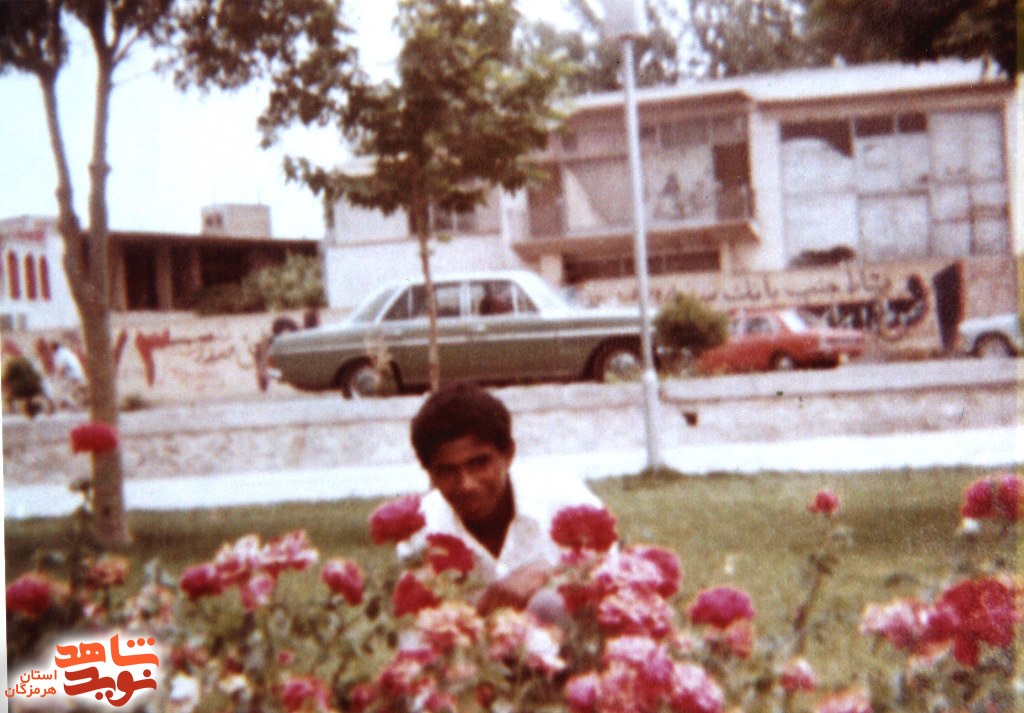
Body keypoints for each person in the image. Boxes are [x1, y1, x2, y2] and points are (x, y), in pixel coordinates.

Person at [400, 383, 605, 616]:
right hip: (475, 639)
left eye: (479, 463)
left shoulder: (566, 500)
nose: (466, 484)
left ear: (508, 453)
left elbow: (614, 583)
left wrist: (547, 574)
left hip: (573, 636)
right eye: (447, 471)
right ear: (429, 473)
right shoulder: (421, 532)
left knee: (547, 602)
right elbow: (419, 627)